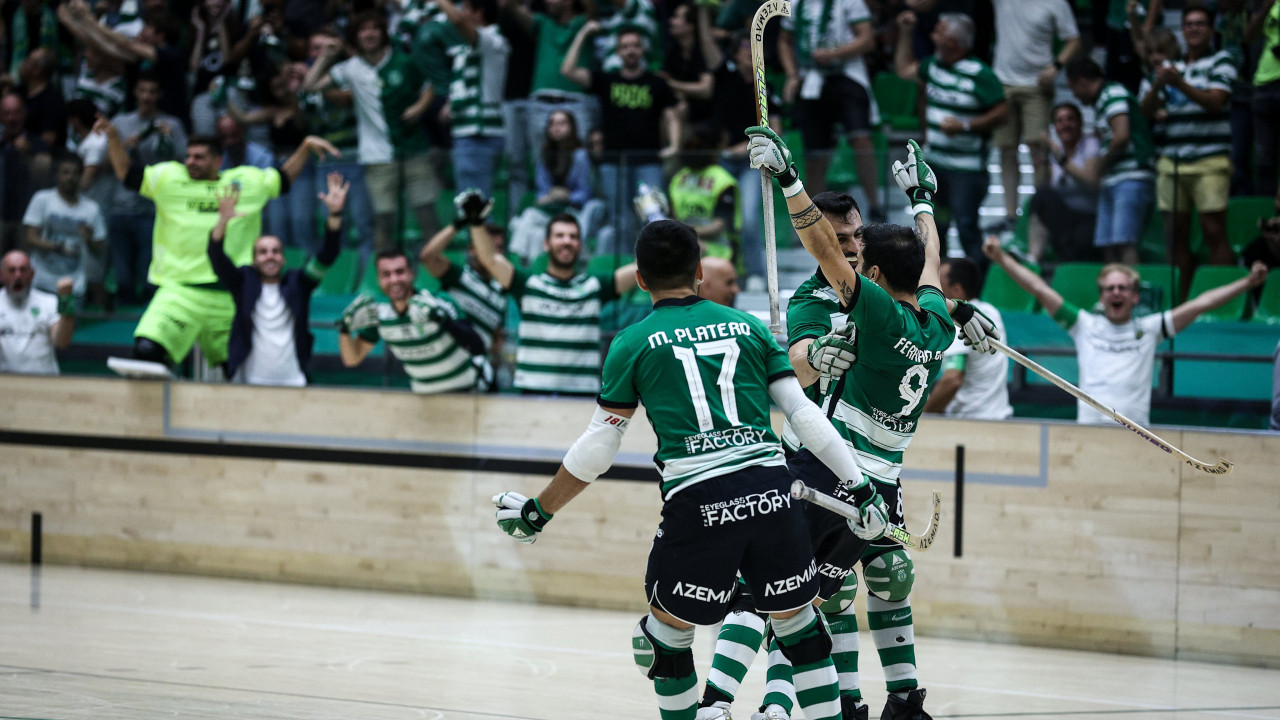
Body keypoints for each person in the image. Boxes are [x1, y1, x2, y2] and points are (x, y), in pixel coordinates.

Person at [490, 218, 892, 720]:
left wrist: (537, 513)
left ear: (639, 279)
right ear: (700, 271)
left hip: (700, 504)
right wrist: (861, 488)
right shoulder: (747, 327)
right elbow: (806, 416)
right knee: (802, 631)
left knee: (664, 639)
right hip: (773, 494)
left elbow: (599, 446)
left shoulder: (630, 343)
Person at [742, 129, 999, 720]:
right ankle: (844, 701)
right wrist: (813, 359)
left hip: (877, 468)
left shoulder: (877, 294)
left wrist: (963, 310)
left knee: (891, 574)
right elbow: (799, 362)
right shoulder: (814, 296)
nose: (852, 246)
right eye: (839, 240)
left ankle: (903, 700)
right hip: (823, 460)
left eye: (858, 234)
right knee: (820, 593)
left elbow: (920, 279)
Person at [97, 115, 340, 372]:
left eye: (199, 157)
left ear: (217, 161)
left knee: (235, 369)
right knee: (147, 351)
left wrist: (304, 148)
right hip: (179, 291)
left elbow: (283, 178)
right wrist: (114, 137)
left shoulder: (245, 182)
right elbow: (126, 173)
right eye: (188, 156)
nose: (190, 162)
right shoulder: (168, 178)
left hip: (232, 295)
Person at [984, 237, 1269, 426]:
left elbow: (1200, 305)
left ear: (1134, 296)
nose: (1116, 292)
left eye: (1123, 288)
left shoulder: (1151, 329)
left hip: (1135, 434)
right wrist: (1000, 257)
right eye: (1109, 288)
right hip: (1087, 433)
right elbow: (1039, 288)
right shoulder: (1083, 324)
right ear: (1102, 296)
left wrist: (1246, 283)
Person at [469, 201, 639, 395]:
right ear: (546, 244)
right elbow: (489, 259)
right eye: (560, 236)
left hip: (581, 396)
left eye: (573, 237)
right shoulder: (527, 284)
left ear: (580, 245)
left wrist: (657, 221)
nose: (566, 241)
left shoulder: (595, 286)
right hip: (532, 392)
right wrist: (476, 221)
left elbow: (641, 268)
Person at [304, 12, 440, 253]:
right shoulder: (350, 69)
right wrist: (326, 57)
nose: (369, 34)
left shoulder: (404, 62)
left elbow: (430, 86)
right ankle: (382, 279)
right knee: (384, 222)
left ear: (383, 32)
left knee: (426, 216)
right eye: (363, 30)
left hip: (414, 152)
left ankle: (437, 275)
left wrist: (419, 107)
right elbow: (310, 86)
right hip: (377, 158)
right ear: (356, 37)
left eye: (374, 28)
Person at [207, 172, 347, 387]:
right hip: (249, 382)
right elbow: (217, 258)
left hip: (295, 381)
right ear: (254, 260)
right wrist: (223, 220)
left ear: (283, 258)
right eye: (262, 252)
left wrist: (335, 215)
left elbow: (327, 255)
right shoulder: (243, 282)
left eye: (275, 251)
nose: (270, 256)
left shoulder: (299, 283)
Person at [894, 11, 1007, 267]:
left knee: (966, 226)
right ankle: (937, 283)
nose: (933, 36)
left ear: (953, 42)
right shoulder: (933, 65)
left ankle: (976, 286)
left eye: (939, 32)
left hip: (966, 171)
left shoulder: (980, 74)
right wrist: (905, 33)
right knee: (936, 226)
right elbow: (903, 70)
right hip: (935, 167)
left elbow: (1003, 113)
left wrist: (966, 125)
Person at [1139, 4, 1238, 297]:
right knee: (1175, 237)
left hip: (1210, 159)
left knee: (1213, 232)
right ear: (1182, 30)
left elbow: (1215, 102)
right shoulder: (1169, 68)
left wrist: (1177, 83)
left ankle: (1222, 300)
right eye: (1189, 24)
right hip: (1172, 161)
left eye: (1200, 24)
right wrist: (1160, 83)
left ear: (1211, 30)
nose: (1194, 28)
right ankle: (1181, 300)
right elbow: (1145, 110)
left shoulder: (1222, 61)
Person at [562, 23, 680, 256]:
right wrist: (583, 33)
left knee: (653, 215)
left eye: (635, 45)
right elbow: (568, 70)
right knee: (620, 219)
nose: (631, 50)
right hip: (613, 162)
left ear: (642, 49)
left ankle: (654, 265)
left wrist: (674, 145)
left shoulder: (656, 83)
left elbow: (672, 115)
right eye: (625, 46)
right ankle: (626, 266)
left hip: (648, 161)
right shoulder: (607, 80)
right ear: (618, 51)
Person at [778, 0, 884, 221]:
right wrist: (792, 74)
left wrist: (835, 53)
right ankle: (816, 211)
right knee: (814, 152)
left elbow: (867, 39)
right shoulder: (796, 5)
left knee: (861, 139)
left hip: (848, 74)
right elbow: (784, 41)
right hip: (812, 77)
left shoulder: (850, 2)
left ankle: (875, 204)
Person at [336, 249, 485, 394]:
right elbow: (352, 359)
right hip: (422, 396)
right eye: (386, 275)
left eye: (399, 272)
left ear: (411, 274)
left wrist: (440, 319)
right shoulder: (379, 316)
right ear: (378, 280)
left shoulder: (438, 301)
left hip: (466, 392)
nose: (394, 280)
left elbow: (477, 346)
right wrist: (344, 329)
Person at [989, 0, 1080, 233]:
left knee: (1037, 149)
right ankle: (1010, 215)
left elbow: (1073, 39)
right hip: (1003, 82)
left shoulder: (1056, 3)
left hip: (1038, 84)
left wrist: (1056, 66)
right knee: (1006, 149)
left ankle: (1039, 212)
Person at [1066, 58, 1155, 266]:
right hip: (1113, 179)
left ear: (1081, 81)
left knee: (1124, 242)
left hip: (1131, 176)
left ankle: (1132, 295)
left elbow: (1121, 136)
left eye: (1073, 89)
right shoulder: (1101, 103)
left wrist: (1100, 164)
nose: (1075, 96)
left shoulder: (1113, 94)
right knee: (1108, 245)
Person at [416, 0, 510, 197]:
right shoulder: (466, 48)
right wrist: (452, 106)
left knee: (476, 204)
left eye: (466, 7)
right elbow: (468, 85)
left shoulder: (492, 40)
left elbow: (457, 21)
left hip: (481, 133)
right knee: (468, 202)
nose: (460, 12)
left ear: (479, 13)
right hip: (464, 131)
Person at [420, 192, 513, 390]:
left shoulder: (502, 291)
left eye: (499, 248)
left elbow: (497, 337)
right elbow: (428, 257)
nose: (494, 252)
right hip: (447, 365)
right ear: (472, 248)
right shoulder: (459, 275)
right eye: (488, 246)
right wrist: (460, 223)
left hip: (479, 372)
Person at [110, 71, 187, 305]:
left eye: (152, 92)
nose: (146, 96)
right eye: (142, 91)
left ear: (159, 95)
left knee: (149, 275)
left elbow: (186, 161)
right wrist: (123, 148)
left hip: (154, 209)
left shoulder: (172, 124)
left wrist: (168, 140)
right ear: (135, 92)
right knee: (122, 277)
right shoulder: (120, 123)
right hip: (122, 205)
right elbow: (106, 163)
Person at [507, 109, 606, 263]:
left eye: (562, 123)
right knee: (533, 226)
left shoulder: (580, 155)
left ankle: (520, 264)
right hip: (551, 208)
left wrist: (566, 196)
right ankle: (531, 268)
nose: (556, 127)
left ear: (572, 127)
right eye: (552, 123)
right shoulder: (545, 154)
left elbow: (586, 193)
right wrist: (551, 197)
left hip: (574, 211)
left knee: (535, 226)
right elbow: (542, 191)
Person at [923, 257, 1012, 420]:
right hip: (999, 419)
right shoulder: (990, 312)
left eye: (937, 282)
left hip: (971, 425)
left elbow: (952, 380)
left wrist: (922, 419)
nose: (931, 288)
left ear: (956, 290)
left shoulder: (962, 320)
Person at [22, 153, 106, 301]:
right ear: (57, 176)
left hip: (74, 285)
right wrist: (56, 247)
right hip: (41, 282)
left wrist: (89, 240)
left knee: (70, 324)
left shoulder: (91, 208)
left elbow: (99, 247)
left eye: (75, 173)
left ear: (81, 177)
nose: (70, 177)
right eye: (65, 172)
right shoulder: (42, 199)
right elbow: (30, 237)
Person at [1027, 103, 1101, 263]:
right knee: (1042, 196)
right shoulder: (1054, 151)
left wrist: (1060, 157)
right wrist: (1042, 161)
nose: (1065, 125)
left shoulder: (1090, 144)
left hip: (1091, 217)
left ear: (1080, 123)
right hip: (1065, 219)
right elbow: (1042, 190)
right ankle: (1033, 259)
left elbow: (1091, 180)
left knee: (1077, 243)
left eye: (1070, 119)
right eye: (1059, 121)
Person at [0, 249, 74, 374]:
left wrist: (66, 301)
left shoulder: (49, 302)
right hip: (5, 384)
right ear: (1, 275)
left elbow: (62, 342)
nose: (18, 276)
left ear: (32, 274)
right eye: (12, 270)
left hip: (44, 382)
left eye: (23, 270)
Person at [1253, 0, 1280, 199]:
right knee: (1264, 157)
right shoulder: (1270, 3)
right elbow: (1248, 36)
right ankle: (1265, 206)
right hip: (1264, 82)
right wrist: (1264, 9)